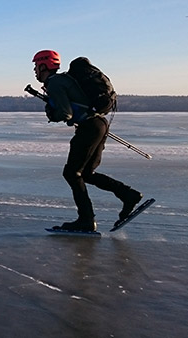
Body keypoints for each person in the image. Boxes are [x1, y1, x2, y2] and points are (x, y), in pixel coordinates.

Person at [32, 50, 142, 232]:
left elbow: (65, 113)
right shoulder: (64, 80)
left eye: (36, 66)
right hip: (99, 124)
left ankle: (86, 220)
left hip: (89, 128)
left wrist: (52, 113)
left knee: (72, 173)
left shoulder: (55, 83)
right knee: (87, 173)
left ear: (44, 65)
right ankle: (128, 195)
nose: (35, 70)